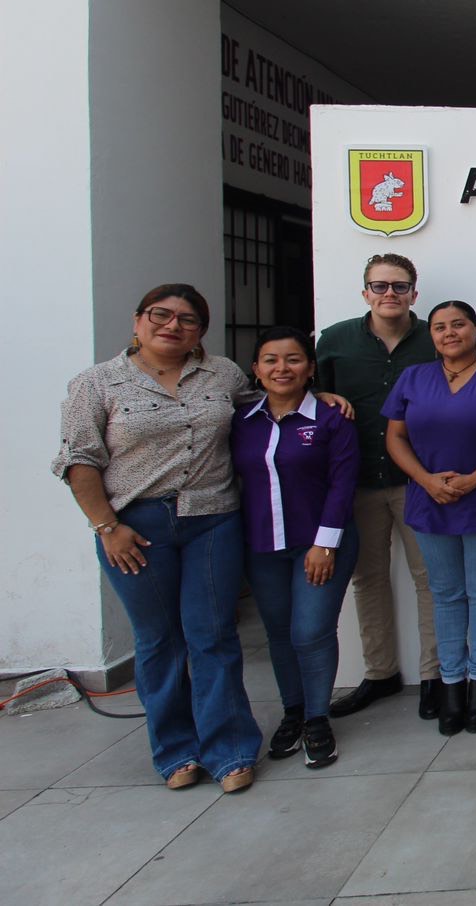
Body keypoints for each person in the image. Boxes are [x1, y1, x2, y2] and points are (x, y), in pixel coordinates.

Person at [54, 284, 264, 793]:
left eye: (187, 320)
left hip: (212, 519)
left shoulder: (222, 375)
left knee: (212, 634)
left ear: (200, 333)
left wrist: (319, 397)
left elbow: (263, 408)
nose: (172, 326)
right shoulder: (97, 383)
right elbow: (78, 460)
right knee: (158, 640)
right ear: (137, 320)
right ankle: (175, 750)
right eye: (161, 315)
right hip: (134, 527)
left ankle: (230, 748)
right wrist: (107, 526)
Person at [383, 300, 476, 735]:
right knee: (446, 594)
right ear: (431, 335)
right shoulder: (413, 378)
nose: (450, 333)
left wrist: (475, 479)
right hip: (428, 502)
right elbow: (395, 437)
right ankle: (450, 683)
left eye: (458, 324)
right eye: (439, 327)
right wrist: (426, 480)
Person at [316, 253, 442, 720]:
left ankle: (436, 675)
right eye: (381, 286)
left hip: (418, 480)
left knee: (429, 581)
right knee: (367, 579)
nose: (390, 294)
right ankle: (380, 673)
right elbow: (301, 396)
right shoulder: (335, 341)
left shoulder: (434, 338)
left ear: (414, 291)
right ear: (365, 291)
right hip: (358, 481)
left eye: (400, 286)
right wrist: (321, 395)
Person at [233, 327, 360, 769]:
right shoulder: (241, 420)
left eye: (292, 360)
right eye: (270, 360)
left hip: (321, 544)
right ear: (256, 369)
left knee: (311, 632)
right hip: (263, 545)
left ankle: (317, 718)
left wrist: (325, 544)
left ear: (309, 369)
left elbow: (343, 485)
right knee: (280, 634)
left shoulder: (331, 418)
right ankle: (292, 712)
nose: (281, 368)